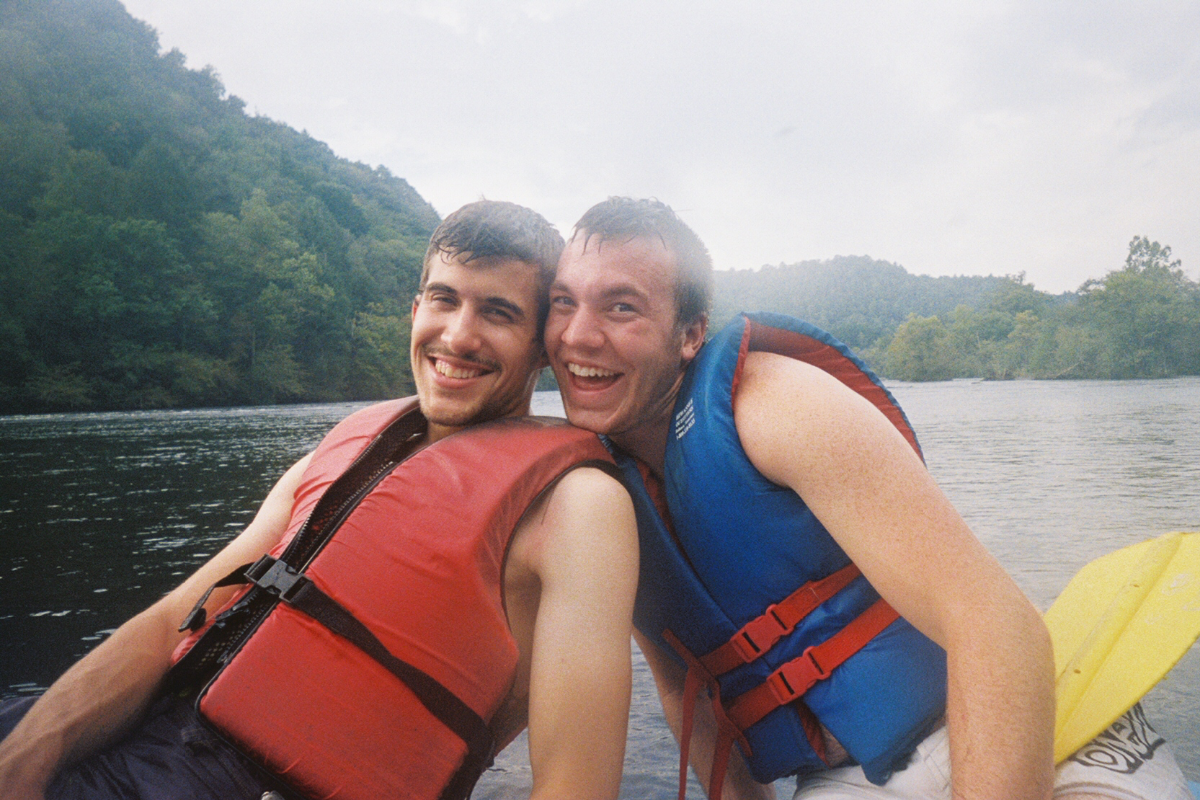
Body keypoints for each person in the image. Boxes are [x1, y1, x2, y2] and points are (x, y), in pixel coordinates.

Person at [543, 196, 1192, 800]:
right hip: (848, 779)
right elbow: (688, 697)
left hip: (1018, 728)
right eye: (562, 303)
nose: (578, 335)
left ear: (689, 334)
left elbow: (997, 625)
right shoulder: (603, 505)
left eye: (621, 307)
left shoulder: (769, 408)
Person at [0, 200, 640, 800]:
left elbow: (573, 784)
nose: (459, 335)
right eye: (443, 300)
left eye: (498, 313)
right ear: (414, 309)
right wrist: (32, 751)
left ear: (542, 347)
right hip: (141, 741)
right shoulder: (347, 448)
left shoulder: (577, 507)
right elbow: (176, 618)